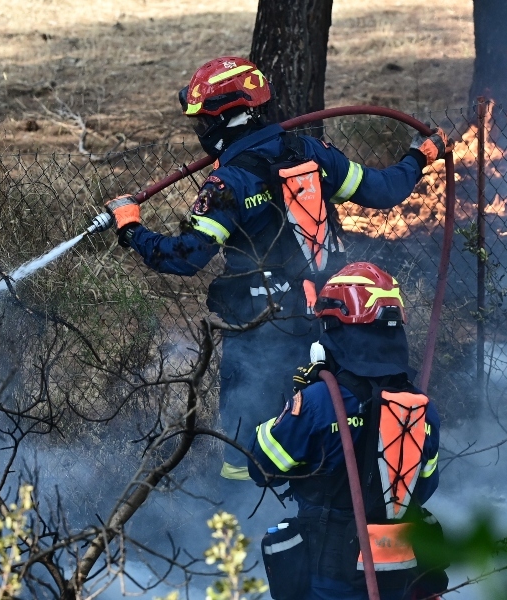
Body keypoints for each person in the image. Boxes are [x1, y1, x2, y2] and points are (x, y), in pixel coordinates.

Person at [104, 57, 447, 481]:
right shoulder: (312, 152)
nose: (200, 130)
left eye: (202, 121)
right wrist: (419, 156)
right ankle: (338, 504)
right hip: (331, 323)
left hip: (260, 333)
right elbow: (384, 190)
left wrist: (131, 227)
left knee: (244, 453)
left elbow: (183, 257)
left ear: (223, 120)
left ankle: (242, 513)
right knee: (329, 426)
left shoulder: (229, 183)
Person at [248, 262, 446, 600]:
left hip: (330, 578)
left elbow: (261, 466)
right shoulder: (422, 409)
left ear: (336, 330)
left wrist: (296, 401)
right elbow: (424, 487)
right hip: (398, 577)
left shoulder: (318, 402)